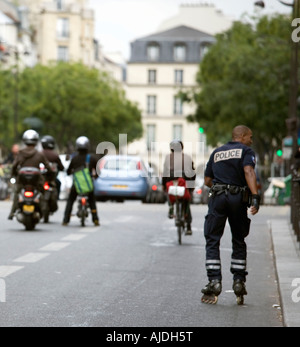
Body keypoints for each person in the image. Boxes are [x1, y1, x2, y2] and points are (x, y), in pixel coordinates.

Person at [201, 125, 260, 305]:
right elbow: (248, 171)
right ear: (241, 136)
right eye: (250, 136)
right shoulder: (246, 151)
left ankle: (214, 282)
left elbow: (207, 180)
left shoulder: (217, 152)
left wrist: (220, 189)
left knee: (212, 238)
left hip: (218, 198)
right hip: (237, 198)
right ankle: (238, 282)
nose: (251, 140)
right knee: (238, 238)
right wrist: (255, 196)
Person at [8, 130, 52, 220]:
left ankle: (12, 212)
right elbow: (48, 167)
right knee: (44, 191)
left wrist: (13, 174)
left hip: (23, 182)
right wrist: (50, 172)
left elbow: (14, 166)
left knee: (17, 192)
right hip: (36, 183)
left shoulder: (20, 153)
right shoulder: (39, 154)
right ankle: (43, 210)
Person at [62, 136, 99, 226]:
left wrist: (72, 172)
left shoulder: (74, 159)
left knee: (70, 200)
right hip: (88, 186)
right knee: (92, 201)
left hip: (76, 186)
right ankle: (95, 219)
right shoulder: (92, 158)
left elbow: (68, 171)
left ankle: (66, 220)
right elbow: (98, 172)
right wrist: (94, 176)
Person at [162, 140, 196, 235]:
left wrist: (163, 185)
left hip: (171, 182)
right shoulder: (187, 157)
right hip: (184, 182)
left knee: (169, 193)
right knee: (187, 202)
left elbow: (165, 173)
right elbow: (193, 173)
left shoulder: (168, 158)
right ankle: (188, 226)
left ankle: (171, 209)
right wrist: (191, 187)